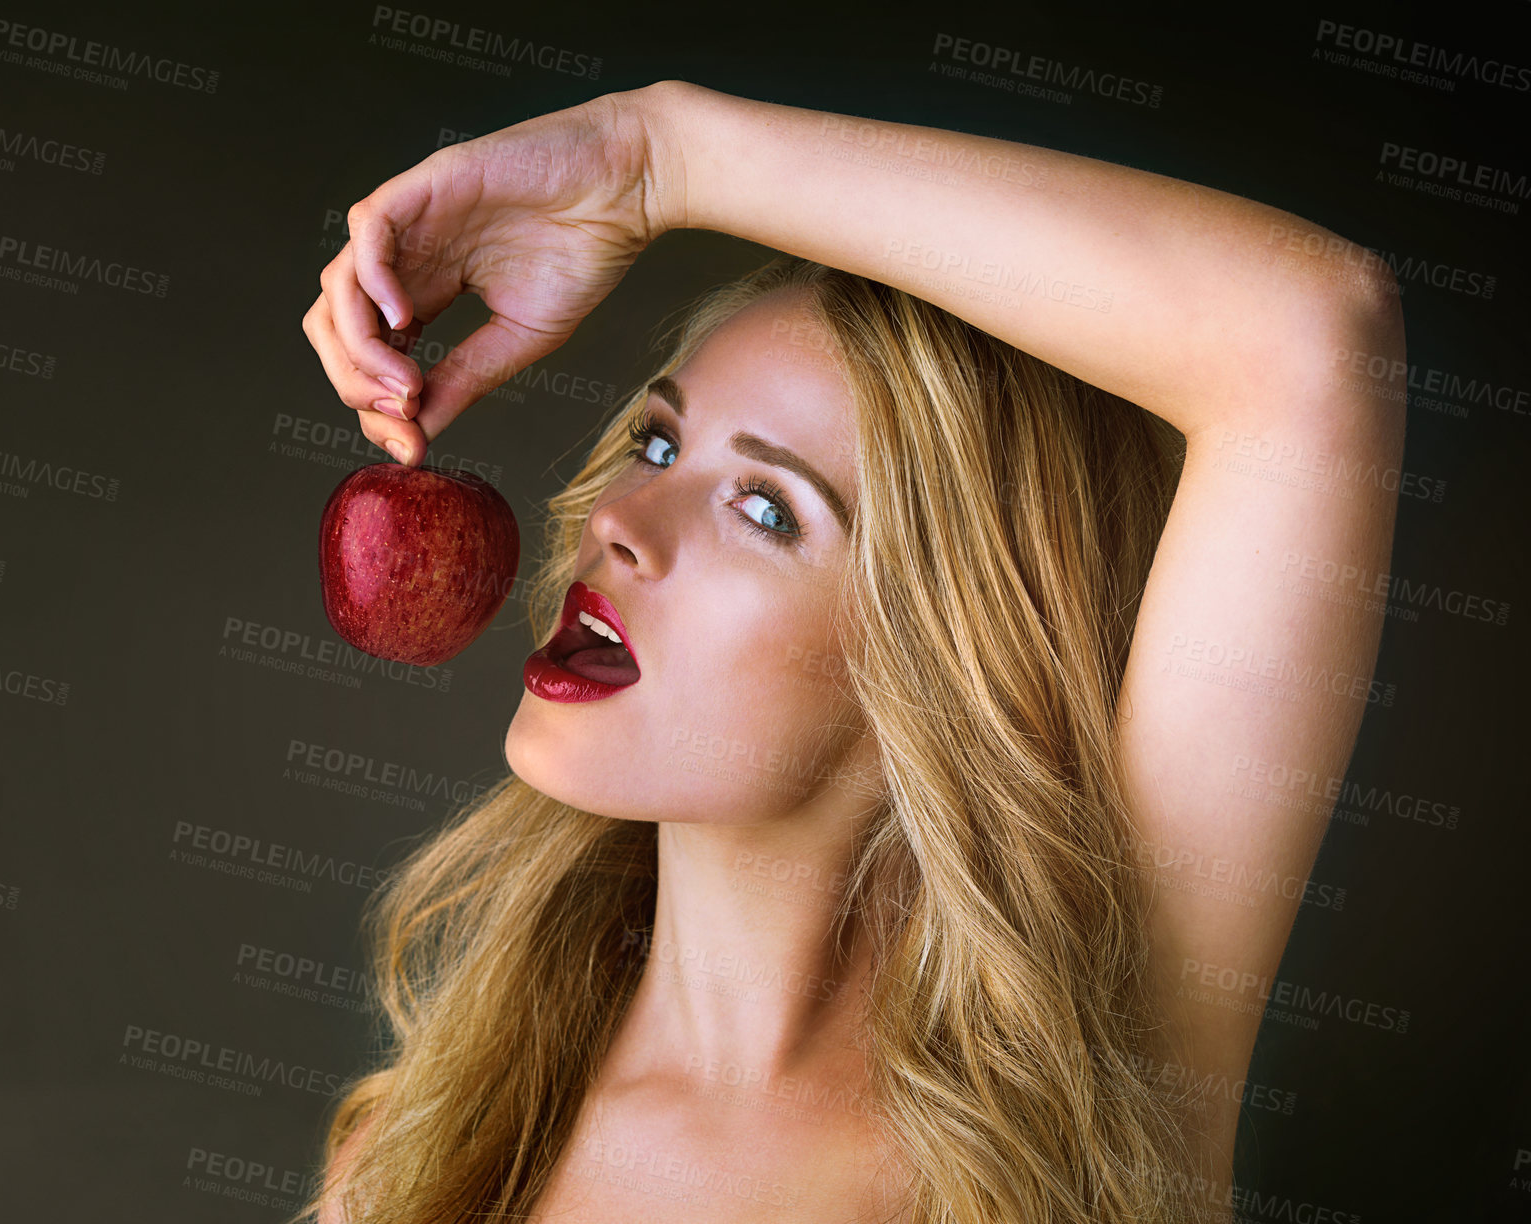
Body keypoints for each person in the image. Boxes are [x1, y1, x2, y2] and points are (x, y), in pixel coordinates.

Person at [298, 80, 1405, 1223]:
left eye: (767, 508)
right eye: (659, 440)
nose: (622, 518)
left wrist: (656, 157)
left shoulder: (1097, 1085)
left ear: (944, 650)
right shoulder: (421, 1156)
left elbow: (1312, 334)